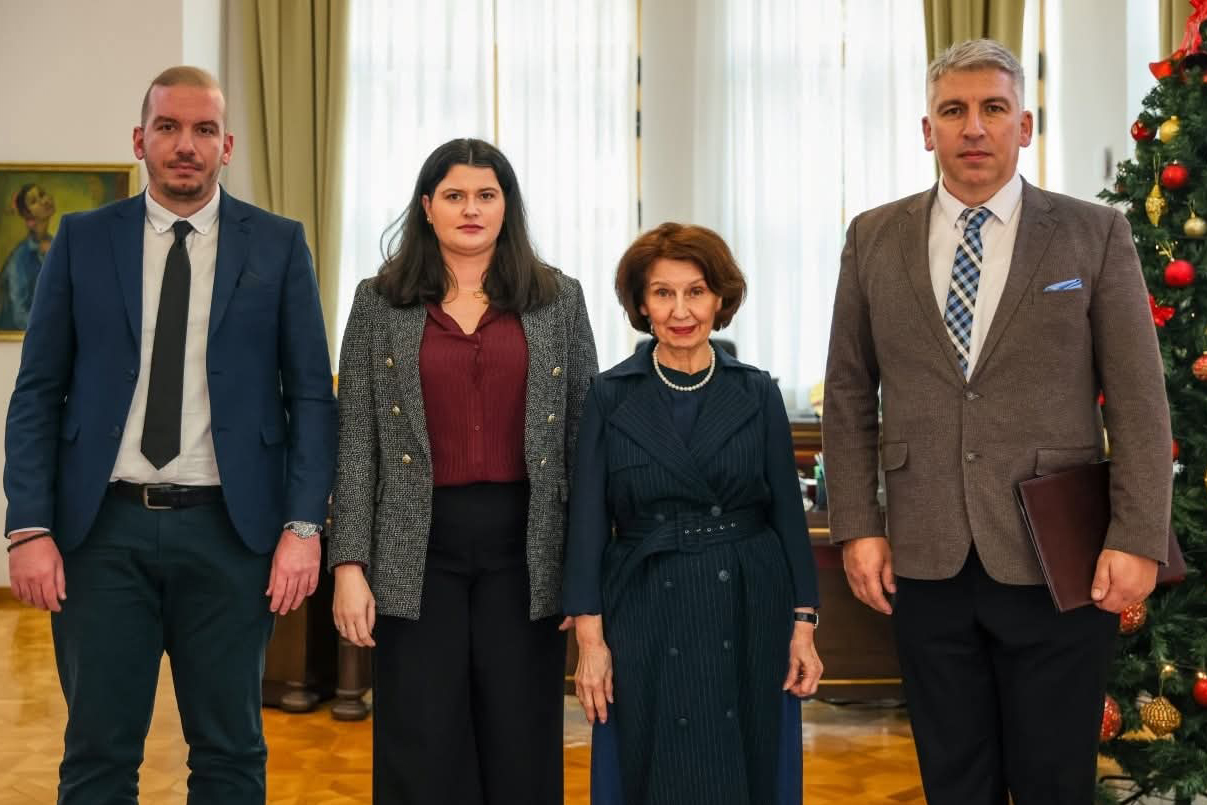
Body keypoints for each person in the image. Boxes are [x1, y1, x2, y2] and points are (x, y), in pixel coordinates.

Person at [823, 39, 1172, 805]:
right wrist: (856, 525)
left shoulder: (1092, 233)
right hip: (924, 556)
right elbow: (847, 393)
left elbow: (1139, 398)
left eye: (992, 108)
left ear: (1025, 124)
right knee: (953, 779)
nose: (973, 127)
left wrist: (1137, 535)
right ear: (927, 130)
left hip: (1059, 558)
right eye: (953, 111)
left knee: (1053, 781)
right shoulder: (872, 237)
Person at [3, 66, 336, 804]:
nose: (186, 144)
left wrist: (304, 526)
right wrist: (28, 526)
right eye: (168, 127)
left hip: (231, 535)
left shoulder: (278, 245)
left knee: (230, 754)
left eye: (204, 129)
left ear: (227, 146)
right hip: (101, 534)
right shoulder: (83, 240)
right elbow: (37, 394)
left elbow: (313, 396)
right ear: (139, 140)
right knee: (97, 754)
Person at [329, 137, 597, 804]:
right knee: (420, 737)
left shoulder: (559, 299)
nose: (470, 209)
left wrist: (587, 572)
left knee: (520, 734)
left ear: (507, 207)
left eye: (485, 195)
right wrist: (349, 564)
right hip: (415, 548)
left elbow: (583, 438)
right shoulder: (378, 302)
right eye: (454, 195)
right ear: (427, 207)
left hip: (527, 549)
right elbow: (356, 440)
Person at [564, 222, 823, 805]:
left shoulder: (757, 392)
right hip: (643, 602)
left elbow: (787, 516)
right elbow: (587, 524)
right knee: (647, 760)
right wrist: (591, 641)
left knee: (750, 759)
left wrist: (804, 624)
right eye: (663, 293)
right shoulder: (609, 394)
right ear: (641, 304)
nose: (681, 310)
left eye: (696, 291)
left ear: (719, 299)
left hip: (749, 602)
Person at [1, 182, 56, 330]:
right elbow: (19, 315)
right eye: (34, 201)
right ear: (29, 219)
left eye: (42, 194)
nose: (44, 201)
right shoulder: (19, 258)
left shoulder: (56, 245)